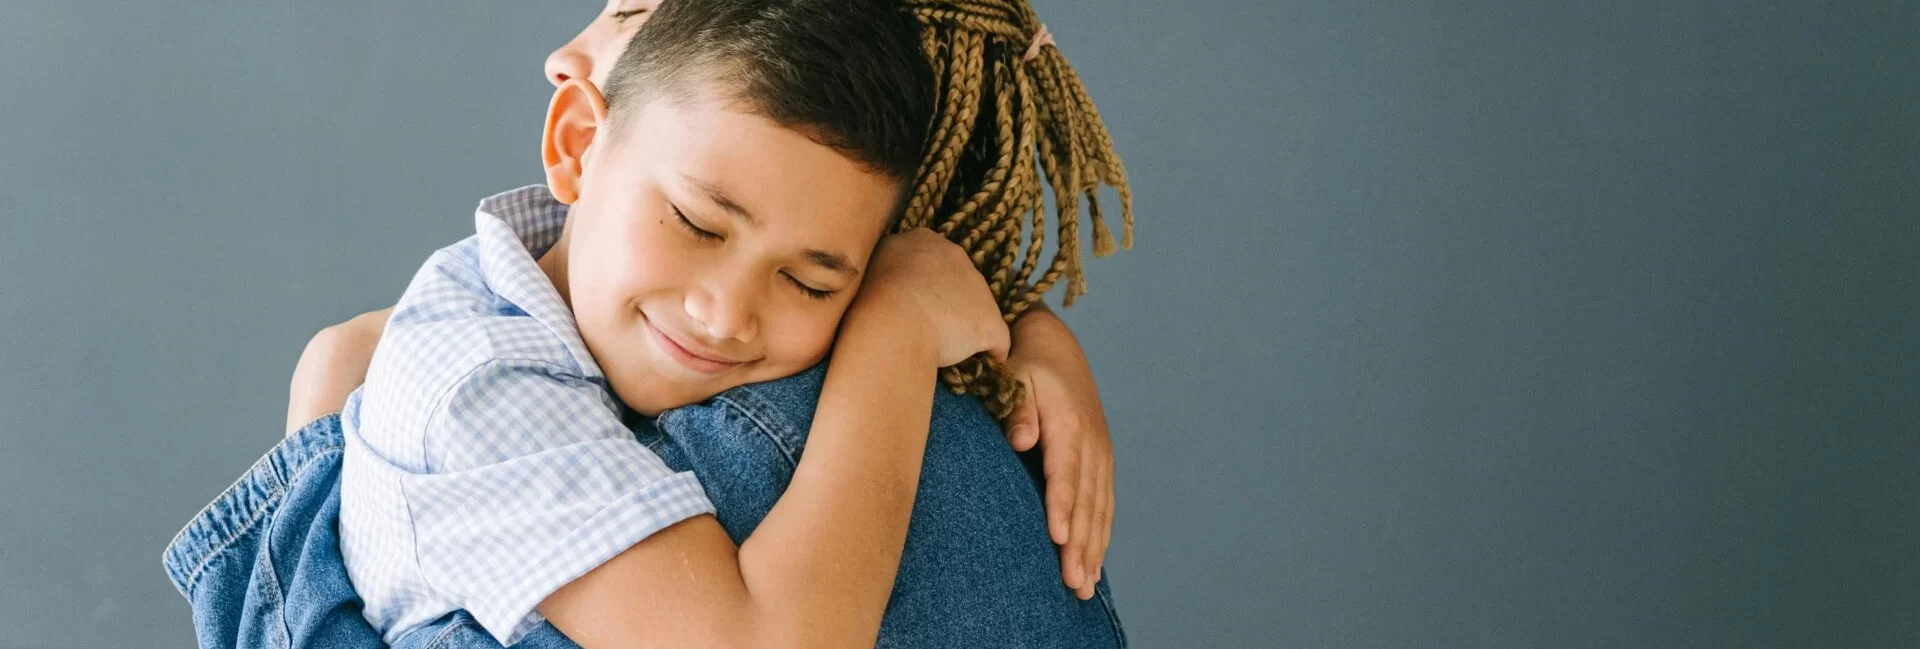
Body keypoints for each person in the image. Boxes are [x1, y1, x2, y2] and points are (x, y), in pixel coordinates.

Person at [165, 1, 1135, 647]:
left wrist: (1024, 329)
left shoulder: (527, 316)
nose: (725, 313)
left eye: (809, 281)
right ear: (578, 141)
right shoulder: (477, 381)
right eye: (696, 224)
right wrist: (895, 333)